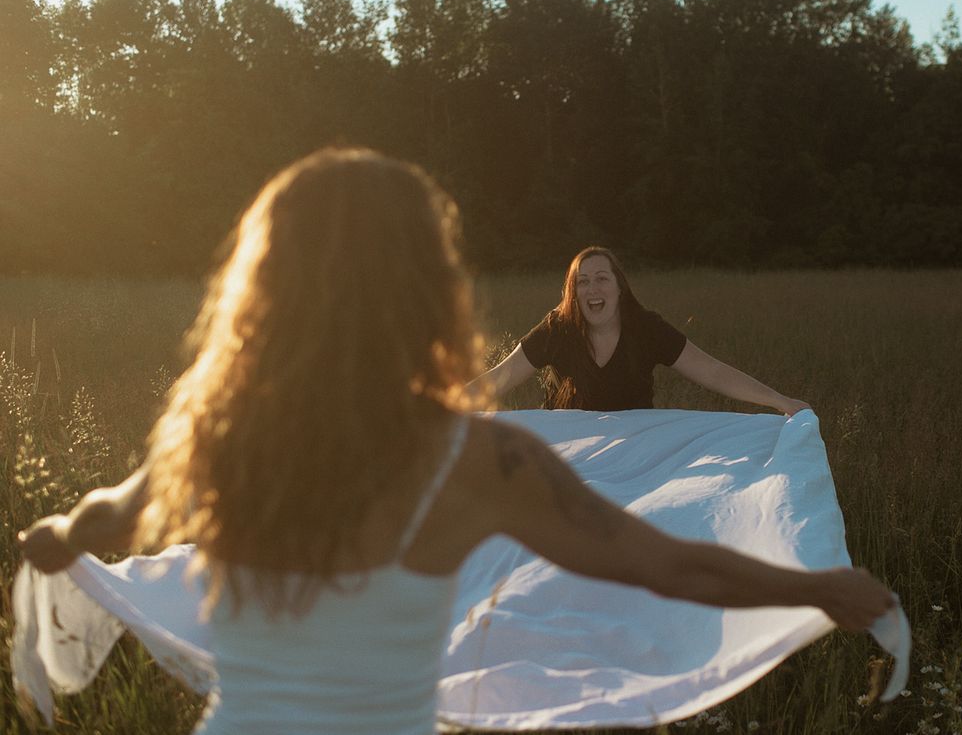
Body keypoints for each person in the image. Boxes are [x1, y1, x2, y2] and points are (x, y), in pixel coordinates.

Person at [17, 147, 893, 735]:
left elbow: (106, 522)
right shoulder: (482, 459)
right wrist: (813, 582)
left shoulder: (221, 432)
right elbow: (664, 565)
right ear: (422, 283)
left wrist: (56, 536)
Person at [471, 246, 808, 413]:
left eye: (602, 279)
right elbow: (500, 377)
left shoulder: (646, 329)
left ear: (620, 288)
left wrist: (780, 401)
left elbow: (712, 371)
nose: (592, 289)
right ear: (573, 293)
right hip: (569, 453)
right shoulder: (558, 329)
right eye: (582, 282)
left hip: (636, 452)